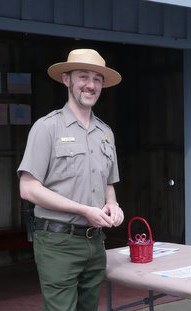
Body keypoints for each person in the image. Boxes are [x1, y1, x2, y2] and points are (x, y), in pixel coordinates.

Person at [17, 48, 125, 311]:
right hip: (58, 243)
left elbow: (108, 183)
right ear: (67, 79)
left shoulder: (105, 133)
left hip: (95, 242)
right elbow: (28, 189)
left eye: (97, 79)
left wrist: (113, 205)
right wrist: (82, 209)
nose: (90, 85)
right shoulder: (47, 128)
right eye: (83, 77)